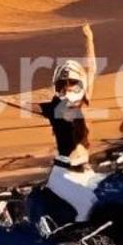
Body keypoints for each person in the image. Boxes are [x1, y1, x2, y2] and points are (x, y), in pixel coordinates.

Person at [41, 25, 104, 219]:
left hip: (85, 170)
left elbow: (91, 68)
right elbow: (26, 105)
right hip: (64, 173)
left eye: (72, 84)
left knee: (111, 195)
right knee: (87, 207)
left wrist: (89, 39)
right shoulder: (55, 108)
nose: (67, 90)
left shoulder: (83, 102)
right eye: (62, 86)